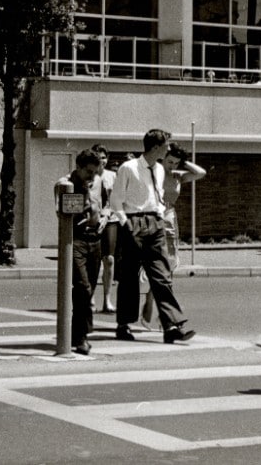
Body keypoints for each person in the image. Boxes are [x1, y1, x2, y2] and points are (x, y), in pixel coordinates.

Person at [111, 128, 195, 345]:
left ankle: (171, 326)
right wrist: (125, 223)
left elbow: (156, 195)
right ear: (156, 146)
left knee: (162, 274)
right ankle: (124, 325)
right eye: (166, 145)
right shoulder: (128, 168)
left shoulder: (158, 169)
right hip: (133, 221)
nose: (169, 149)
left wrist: (158, 214)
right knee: (129, 277)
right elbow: (116, 200)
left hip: (155, 222)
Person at [140, 143, 205, 329]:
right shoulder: (154, 173)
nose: (172, 166)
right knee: (158, 266)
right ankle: (161, 311)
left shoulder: (178, 177)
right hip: (154, 218)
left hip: (169, 220)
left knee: (168, 267)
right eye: (169, 161)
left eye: (176, 163)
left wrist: (183, 161)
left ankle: (156, 307)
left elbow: (201, 173)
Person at [54, 149, 103, 355]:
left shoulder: (98, 182)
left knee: (89, 288)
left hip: (95, 239)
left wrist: (104, 217)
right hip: (76, 239)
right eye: (89, 172)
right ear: (79, 168)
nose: (92, 176)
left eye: (95, 172)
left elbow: (105, 204)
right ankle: (80, 336)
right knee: (81, 287)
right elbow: (63, 213)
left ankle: (78, 332)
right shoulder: (65, 184)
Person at [92, 145, 120, 314]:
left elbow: (117, 199)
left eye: (104, 157)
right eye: (98, 157)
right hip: (93, 220)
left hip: (111, 220)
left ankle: (107, 299)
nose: (101, 160)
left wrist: (108, 215)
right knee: (93, 261)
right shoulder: (90, 175)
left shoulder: (113, 176)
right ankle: (90, 298)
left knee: (109, 259)